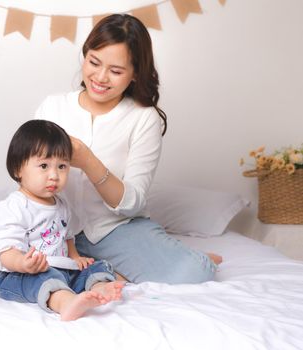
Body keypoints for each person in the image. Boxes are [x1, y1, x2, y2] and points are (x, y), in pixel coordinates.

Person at [34, 13, 222, 284]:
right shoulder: (53, 107)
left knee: (195, 272)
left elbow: (132, 202)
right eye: (93, 62)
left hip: (115, 229)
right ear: (85, 56)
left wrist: (88, 160)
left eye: (116, 71)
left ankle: (98, 268)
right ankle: (100, 270)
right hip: (53, 227)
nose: (100, 77)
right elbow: (24, 171)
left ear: (135, 74)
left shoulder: (143, 118)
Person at [0, 119, 124, 321]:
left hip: (60, 269)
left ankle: (99, 287)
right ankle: (66, 303)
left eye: (62, 166)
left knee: (96, 266)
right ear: (18, 169)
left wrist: (75, 256)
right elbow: (5, 251)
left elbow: (66, 235)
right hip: (17, 275)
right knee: (45, 279)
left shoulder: (60, 204)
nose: (54, 175)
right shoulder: (13, 207)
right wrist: (22, 264)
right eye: (44, 165)